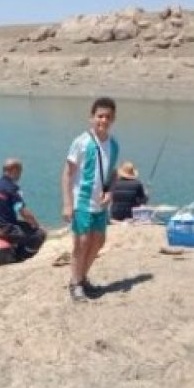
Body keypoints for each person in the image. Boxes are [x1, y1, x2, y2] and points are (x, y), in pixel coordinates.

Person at [61, 97, 121, 302]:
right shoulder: (81, 142)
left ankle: (82, 278)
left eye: (108, 117)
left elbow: (113, 174)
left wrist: (110, 192)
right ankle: (75, 283)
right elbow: (67, 174)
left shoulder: (114, 145)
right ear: (91, 118)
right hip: (82, 201)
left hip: (100, 204)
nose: (103, 120)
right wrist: (68, 204)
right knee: (82, 242)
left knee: (98, 241)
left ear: (113, 119)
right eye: (100, 116)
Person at [0, 158, 47, 261]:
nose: (20, 175)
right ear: (14, 170)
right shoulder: (12, 188)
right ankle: (21, 257)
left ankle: (14, 250)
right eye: (20, 172)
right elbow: (23, 211)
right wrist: (37, 225)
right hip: (4, 230)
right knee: (39, 234)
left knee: (21, 226)